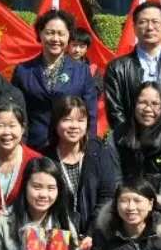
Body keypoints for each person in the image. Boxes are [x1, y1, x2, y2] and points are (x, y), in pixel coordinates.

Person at [12, 9, 99, 152]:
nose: (55, 39)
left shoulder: (81, 71)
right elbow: (16, 113)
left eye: (61, 34)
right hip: (33, 147)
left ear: (69, 36)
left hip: (71, 148)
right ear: (40, 34)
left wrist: (90, 147)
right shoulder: (23, 71)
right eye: (50, 33)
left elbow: (91, 114)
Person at [102, 2, 161, 130]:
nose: (150, 27)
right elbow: (115, 112)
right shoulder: (117, 68)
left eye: (155, 21)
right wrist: (131, 138)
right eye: (143, 22)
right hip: (130, 139)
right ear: (134, 27)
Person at [47, 95, 121, 242]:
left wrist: (91, 234)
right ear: (56, 123)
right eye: (67, 120)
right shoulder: (46, 158)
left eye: (80, 120)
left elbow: (107, 196)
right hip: (57, 239)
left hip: (96, 236)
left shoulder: (99, 152)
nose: (74, 126)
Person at [112, 82, 161, 205]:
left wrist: (150, 209)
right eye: (142, 102)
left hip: (158, 206)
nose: (148, 109)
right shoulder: (118, 137)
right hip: (123, 204)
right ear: (134, 104)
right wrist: (127, 205)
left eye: (155, 104)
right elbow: (115, 180)